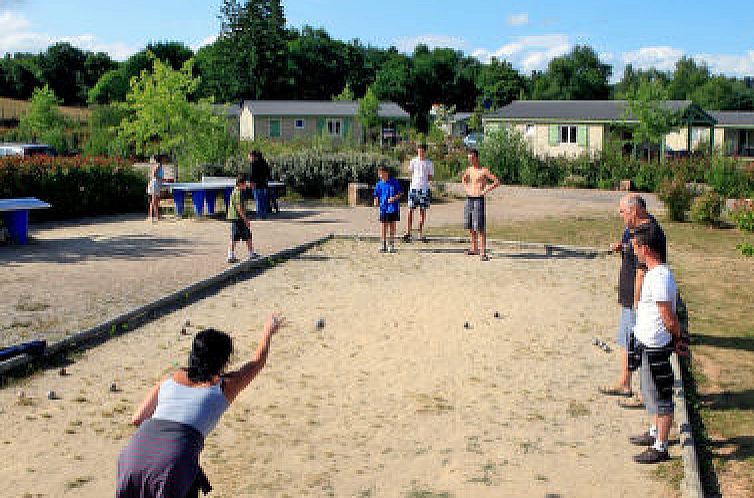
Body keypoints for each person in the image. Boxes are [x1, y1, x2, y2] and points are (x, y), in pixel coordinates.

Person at [116, 313, 284, 497]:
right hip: (174, 460)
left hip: (133, 455)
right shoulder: (225, 386)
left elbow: (137, 418)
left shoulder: (169, 380)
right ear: (224, 360)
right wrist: (268, 332)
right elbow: (258, 360)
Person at [628, 222, 687, 464]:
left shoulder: (660, 277)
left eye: (636, 247)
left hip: (656, 347)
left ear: (647, 249)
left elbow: (668, 317)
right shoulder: (652, 274)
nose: (634, 251)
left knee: (661, 396)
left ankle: (661, 446)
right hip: (647, 343)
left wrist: (679, 339)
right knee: (650, 393)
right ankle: (654, 432)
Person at [598, 194, 645, 399]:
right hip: (628, 294)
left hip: (638, 297)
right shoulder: (631, 229)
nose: (620, 215)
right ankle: (625, 383)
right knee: (625, 340)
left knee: (639, 343)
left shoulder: (645, 233)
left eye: (622, 211)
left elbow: (644, 268)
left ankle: (645, 392)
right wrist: (621, 246)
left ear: (634, 211)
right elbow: (630, 248)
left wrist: (637, 300)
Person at [461, 149, 500, 261]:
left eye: (472, 158)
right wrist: (466, 188)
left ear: (476, 157)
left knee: (480, 226)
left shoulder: (483, 170)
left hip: (478, 199)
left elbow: (496, 181)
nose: (470, 160)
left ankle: (483, 252)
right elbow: (463, 179)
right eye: (469, 158)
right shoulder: (469, 169)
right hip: (469, 198)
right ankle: (474, 248)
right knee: (469, 224)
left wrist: (485, 190)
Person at [403, 143, 434, 242]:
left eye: (422, 151)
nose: (420, 152)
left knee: (422, 211)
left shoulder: (429, 163)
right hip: (413, 188)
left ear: (425, 151)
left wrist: (425, 183)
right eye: (419, 150)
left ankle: (420, 232)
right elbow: (410, 172)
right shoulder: (413, 161)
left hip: (424, 189)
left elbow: (430, 176)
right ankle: (408, 232)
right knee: (410, 210)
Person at [226, 176, 258, 263]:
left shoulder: (235, 191)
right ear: (240, 184)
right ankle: (231, 255)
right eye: (244, 184)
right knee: (235, 237)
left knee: (246, 235)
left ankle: (251, 253)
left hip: (236, 217)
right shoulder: (238, 192)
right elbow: (239, 207)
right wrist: (245, 219)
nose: (246, 185)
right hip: (238, 218)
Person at [373, 165, 402, 253]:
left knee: (392, 226)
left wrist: (394, 198)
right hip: (383, 208)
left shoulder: (394, 182)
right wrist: (376, 201)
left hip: (393, 208)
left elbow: (400, 193)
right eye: (379, 173)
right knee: (383, 226)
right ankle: (383, 244)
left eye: (381, 173)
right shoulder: (379, 184)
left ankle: (391, 244)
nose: (380, 175)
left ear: (386, 173)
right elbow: (376, 194)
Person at [248, 150, 270, 218]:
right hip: (264, 184)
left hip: (256, 184)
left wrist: (250, 182)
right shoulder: (264, 163)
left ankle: (259, 214)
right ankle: (263, 214)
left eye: (249, 157)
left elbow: (252, 175)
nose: (249, 158)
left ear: (253, 156)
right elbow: (268, 173)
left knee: (258, 200)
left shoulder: (254, 164)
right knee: (263, 200)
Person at [146, 157, 163, 222]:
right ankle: (154, 216)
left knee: (155, 200)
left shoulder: (159, 166)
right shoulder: (157, 165)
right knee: (154, 200)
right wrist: (159, 178)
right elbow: (154, 174)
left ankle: (153, 215)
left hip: (156, 184)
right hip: (155, 184)